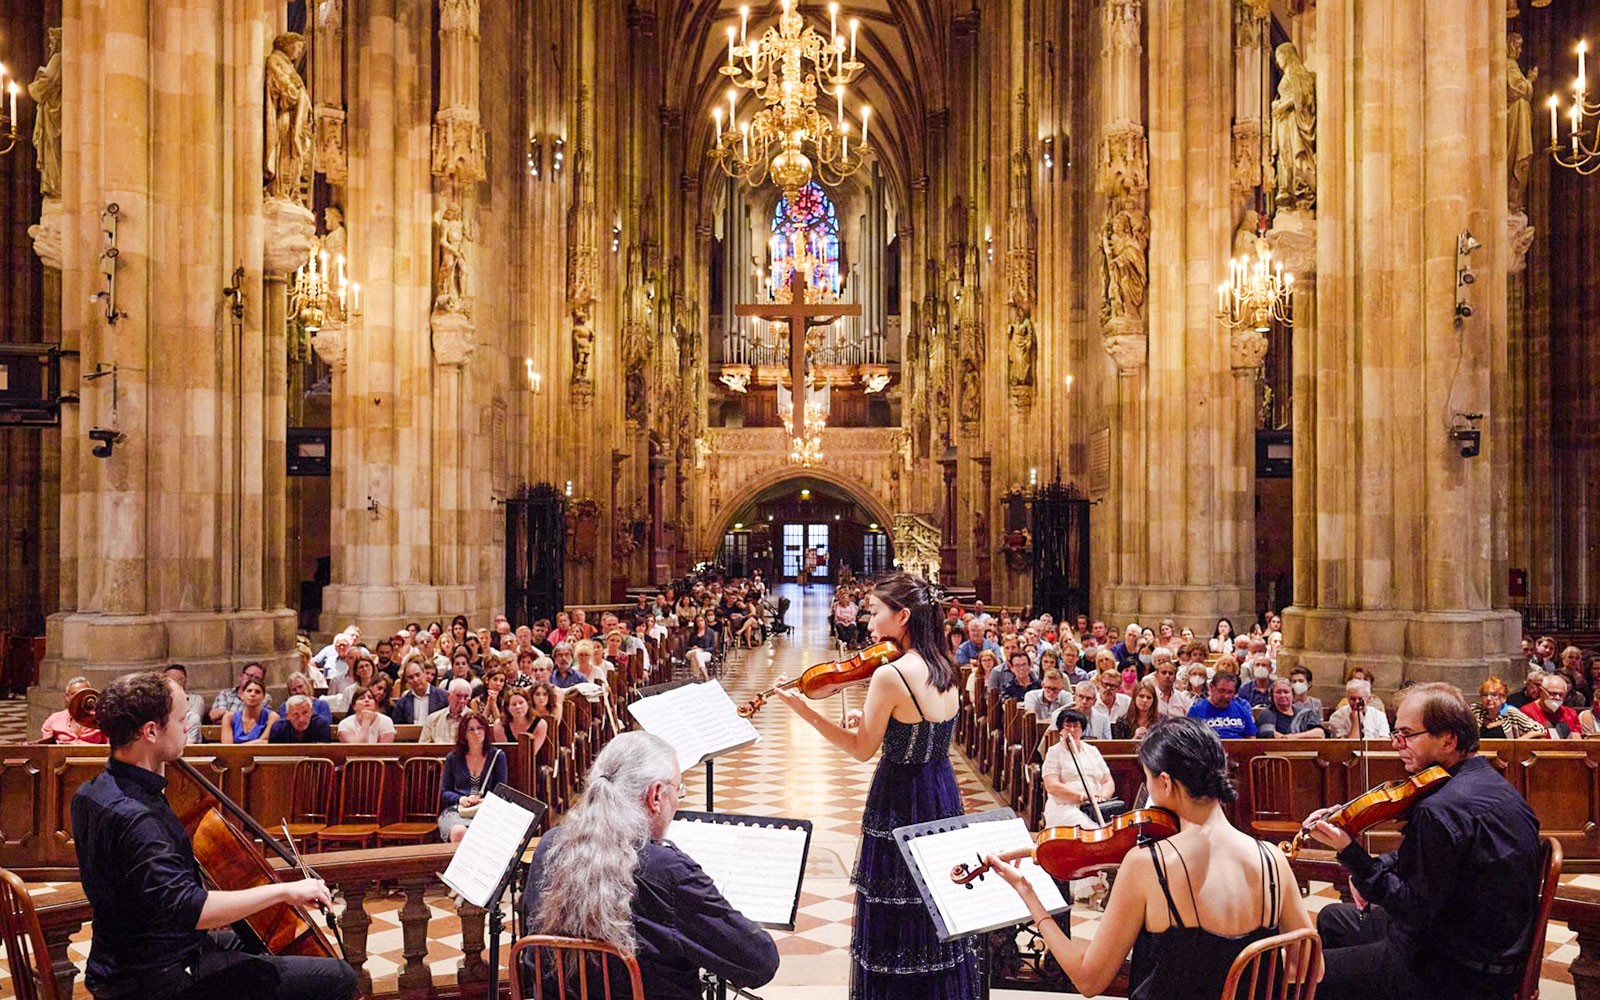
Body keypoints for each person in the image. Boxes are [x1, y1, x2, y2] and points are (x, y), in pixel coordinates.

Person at [72, 670, 356, 1000]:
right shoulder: (139, 819)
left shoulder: (91, 792)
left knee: (258, 936)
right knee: (337, 976)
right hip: (158, 978)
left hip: (121, 955)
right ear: (150, 731)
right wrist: (285, 891)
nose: (187, 727)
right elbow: (194, 909)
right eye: (180, 721)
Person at [985, 718, 1316, 999]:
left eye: (1147, 778)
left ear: (1167, 783)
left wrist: (1029, 894)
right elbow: (1311, 971)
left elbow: (1089, 981)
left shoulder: (1147, 865)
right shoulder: (1272, 858)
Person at [773, 572, 980, 997]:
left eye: (876, 612)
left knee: (895, 909)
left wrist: (804, 712)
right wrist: (876, 724)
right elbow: (923, 728)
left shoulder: (892, 675)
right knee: (931, 904)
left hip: (900, 797)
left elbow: (861, 750)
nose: (869, 623)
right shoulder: (947, 664)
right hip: (941, 791)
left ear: (902, 616)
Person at [1303, 682, 1541, 1000]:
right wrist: (1374, 869)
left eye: (1407, 734)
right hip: (1479, 943)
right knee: (1334, 918)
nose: (1396, 744)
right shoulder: (1490, 783)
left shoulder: (1440, 809)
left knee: (1306, 975)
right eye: (1394, 734)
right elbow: (1438, 865)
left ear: (1448, 740)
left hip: (1451, 969)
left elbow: (1412, 909)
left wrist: (1350, 853)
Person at [520, 732, 779, 998]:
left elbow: (533, 957)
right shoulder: (668, 871)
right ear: (656, 795)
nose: (677, 801)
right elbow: (760, 963)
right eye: (678, 790)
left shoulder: (549, 846)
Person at [1042, 708, 1116, 827]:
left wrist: (1103, 797)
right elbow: (1051, 786)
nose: (1072, 730)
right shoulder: (1054, 752)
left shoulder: (1092, 750)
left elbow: (1107, 781)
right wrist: (1082, 797)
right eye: (1067, 726)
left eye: (1076, 726)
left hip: (1094, 807)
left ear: (1082, 730)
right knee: (1088, 827)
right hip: (1065, 807)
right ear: (1061, 730)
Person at [439, 713, 506, 843]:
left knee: (485, 833)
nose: (476, 732)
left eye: (480, 728)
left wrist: (484, 801)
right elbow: (444, 792)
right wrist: (461, 799)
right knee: (459, 832)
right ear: (463, 733)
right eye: (471, 729)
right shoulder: (453, 758)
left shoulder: (497, 756)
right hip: (458, 809)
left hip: (486, 809)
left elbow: (501, 791)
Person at [1186, 670, 1256, 739]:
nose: (1226, 696)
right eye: (1222, 690)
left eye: (1230, 692)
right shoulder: (1196, 711)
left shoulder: (1242, 710)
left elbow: (1251, 738)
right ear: (1211, 687)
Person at [1471, 676, 1548, 739]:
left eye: (1494, 695)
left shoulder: (1510, 712)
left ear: (1503, 698)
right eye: (1485, 695)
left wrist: (1517, 742)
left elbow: (1540, 730)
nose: (1488, 698)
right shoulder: (1476, 710)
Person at [40, 676, 109, 744]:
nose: (79, 697)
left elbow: (110, 746)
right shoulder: (54, 720)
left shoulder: (100, 719)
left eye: (83, 693)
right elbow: (46, 749)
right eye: (74, 694)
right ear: (67, 697)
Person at [1258, 678, 1325, 738]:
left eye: (1286, 692)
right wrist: (1286, 739)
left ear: (1293, 695)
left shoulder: (1305, 713)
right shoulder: (1267, 714)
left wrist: (1295, 737)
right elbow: (1268, 733)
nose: (1282, 695)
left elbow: (1320, 733)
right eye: (1278, 692)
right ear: (1272, 696)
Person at [1522, 671, 1582, 739]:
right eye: (1553, 693)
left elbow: (1577, 740)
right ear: (1541, 691)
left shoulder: (1571, 714)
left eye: (1561, 694)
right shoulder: (1527, 712)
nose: (1557, 697)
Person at [1327, 678, 1392, 739]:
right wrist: (1356, 723)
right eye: (1352, 699)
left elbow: (1384, 741)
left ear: (1368, 699)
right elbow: (1348, 747)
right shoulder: (1337, 717)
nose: (1356, 703)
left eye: (1360, 699)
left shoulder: (1379, 716)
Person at [209, 662, 274, 724]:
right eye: (250, 675)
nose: (252, 680)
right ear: (241, 676)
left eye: (257, 678)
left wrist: (227, 716)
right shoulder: (225, 694)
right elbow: (215, 716)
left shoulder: (264, 697)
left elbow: (257, 720)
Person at [220, 678, 277, 744]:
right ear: (242, 695)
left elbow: (262, 746)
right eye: (249, 691)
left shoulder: (272, 717)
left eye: (257, 692)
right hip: (233, 754)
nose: (252, 694)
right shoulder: (229, 717)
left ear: (263, 697)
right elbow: (227, 748)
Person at [391, 661, 448, 725]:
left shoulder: (443, 697)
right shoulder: (402, 702)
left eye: (418, 675)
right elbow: (398, 726)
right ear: (406, 680)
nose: (415, 680)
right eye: (410, 677)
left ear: (424, 673)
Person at [421, 678, 474, 743]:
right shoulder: (433, 719)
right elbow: (422, 748)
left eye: (466, 697)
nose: (462, 701)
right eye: (458, 696)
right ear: (448, 696)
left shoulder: (474, 719)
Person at [166, 665, 206, 744]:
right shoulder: (160, 701)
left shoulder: (195, 700)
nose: (174, 684)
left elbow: (190, 722)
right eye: (170, 680)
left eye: (179, 679)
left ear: (184, 681)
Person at [269, 695, 333, 743]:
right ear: (287, 715)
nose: (301, 719)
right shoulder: (278, 728)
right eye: (295, 715)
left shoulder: (321, 725)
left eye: (305, 713)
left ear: (311, 712)